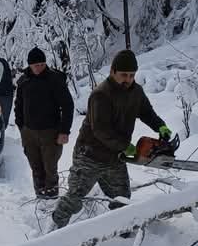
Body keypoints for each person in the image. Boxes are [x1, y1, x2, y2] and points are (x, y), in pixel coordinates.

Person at [50, 49, 171, 229]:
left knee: (122, 199)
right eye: (124, 75)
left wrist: (160, 126)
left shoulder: (136, 92)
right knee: (74, 199)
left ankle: (122, 233)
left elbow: (146, 112)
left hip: (115, 157)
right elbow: (101, 130)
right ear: (113, 71)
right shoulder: (101, 95)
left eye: (131, 75)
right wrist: (127, 147)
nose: (128, 79)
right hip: (89, 155)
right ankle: (52, 232)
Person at [14, 47, 74, 199]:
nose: (39, 67)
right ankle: (40, 198)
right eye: (36, 65)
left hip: (50, 132)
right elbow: (18, 106)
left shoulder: (55, 79)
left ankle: (51, 198)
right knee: (36, 168)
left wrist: (64, 131)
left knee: (50, 168)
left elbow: (67, 105)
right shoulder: (23, 81)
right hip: (29, 132)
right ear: (30, 65)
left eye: (42, 64)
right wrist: (21, 126)